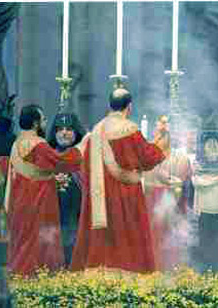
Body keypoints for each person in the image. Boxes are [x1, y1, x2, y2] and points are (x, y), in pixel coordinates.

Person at [71, 88, 168, 273]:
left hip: (99, 196)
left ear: (110, 106)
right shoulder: (129, 129)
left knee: (104, 240)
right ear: (129, 107)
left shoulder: (96, 130)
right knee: (126, 236)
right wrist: (160, 145)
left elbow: (84, 167)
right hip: (126, 195)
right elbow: (146, 158)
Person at [4, 105, 82, 276]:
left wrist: (52, 179)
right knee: (37, 246)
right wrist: (81, 148)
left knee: (22, 243)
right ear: (35, 123)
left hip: (19, 202)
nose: (46, 122)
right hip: (37, 203)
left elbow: (32, 175)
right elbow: (62, 162)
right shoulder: (39, 145)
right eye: (43, 119)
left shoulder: (16, 144)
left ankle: (19, 280)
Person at [143, 115, 193, 271]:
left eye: (165, 134)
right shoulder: (145, 157)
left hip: (172, 206)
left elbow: (181, 182)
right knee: (153, 241)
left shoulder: (181, 157)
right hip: (151, 206)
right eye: (158, 133)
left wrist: (170, 181)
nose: (161, 137)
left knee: (171, 246)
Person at [47, 113, 87, 267]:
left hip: (77, 208)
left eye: (69, 129)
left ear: (76, 132)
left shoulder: (83, 153)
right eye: (60, 129)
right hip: (53, 209)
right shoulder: (48, 154)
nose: (64, 133)